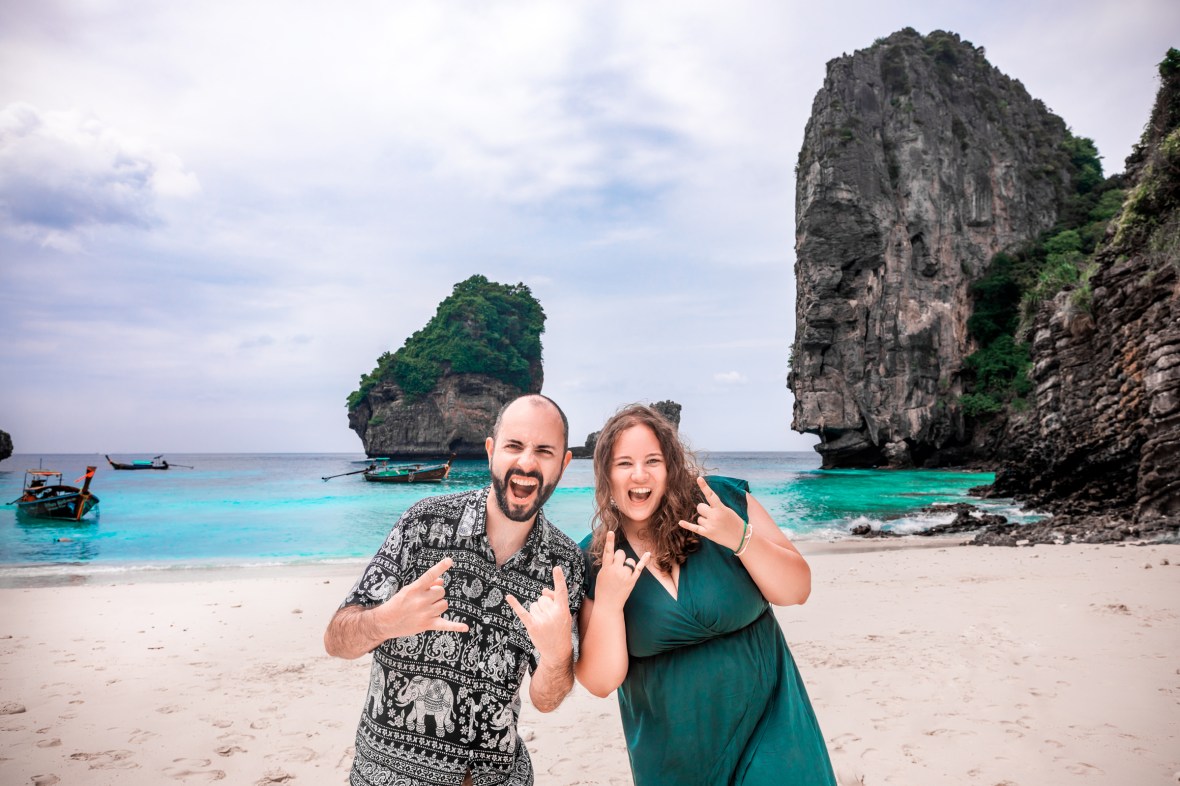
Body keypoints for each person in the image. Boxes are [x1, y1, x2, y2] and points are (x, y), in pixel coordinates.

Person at [324, 394, 586, 786]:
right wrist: (386, 621)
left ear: (563, 465)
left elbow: (546, 700)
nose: (527, 463)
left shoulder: (565, 566)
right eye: (514, 446)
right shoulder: (422, 526)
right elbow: (336, 640)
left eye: (544, 451)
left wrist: (556, 657)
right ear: (491, 451)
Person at [575, 404, 836, 785]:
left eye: (653, 460)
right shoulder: (595, 558)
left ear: (671, 467)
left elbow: (798, 590)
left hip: (772, 729)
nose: (639, 474)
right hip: (673, 757)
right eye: (623, 463)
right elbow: (600, 682)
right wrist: (611, 605)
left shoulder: (723, 503)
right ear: (606, 475)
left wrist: (741, 538)